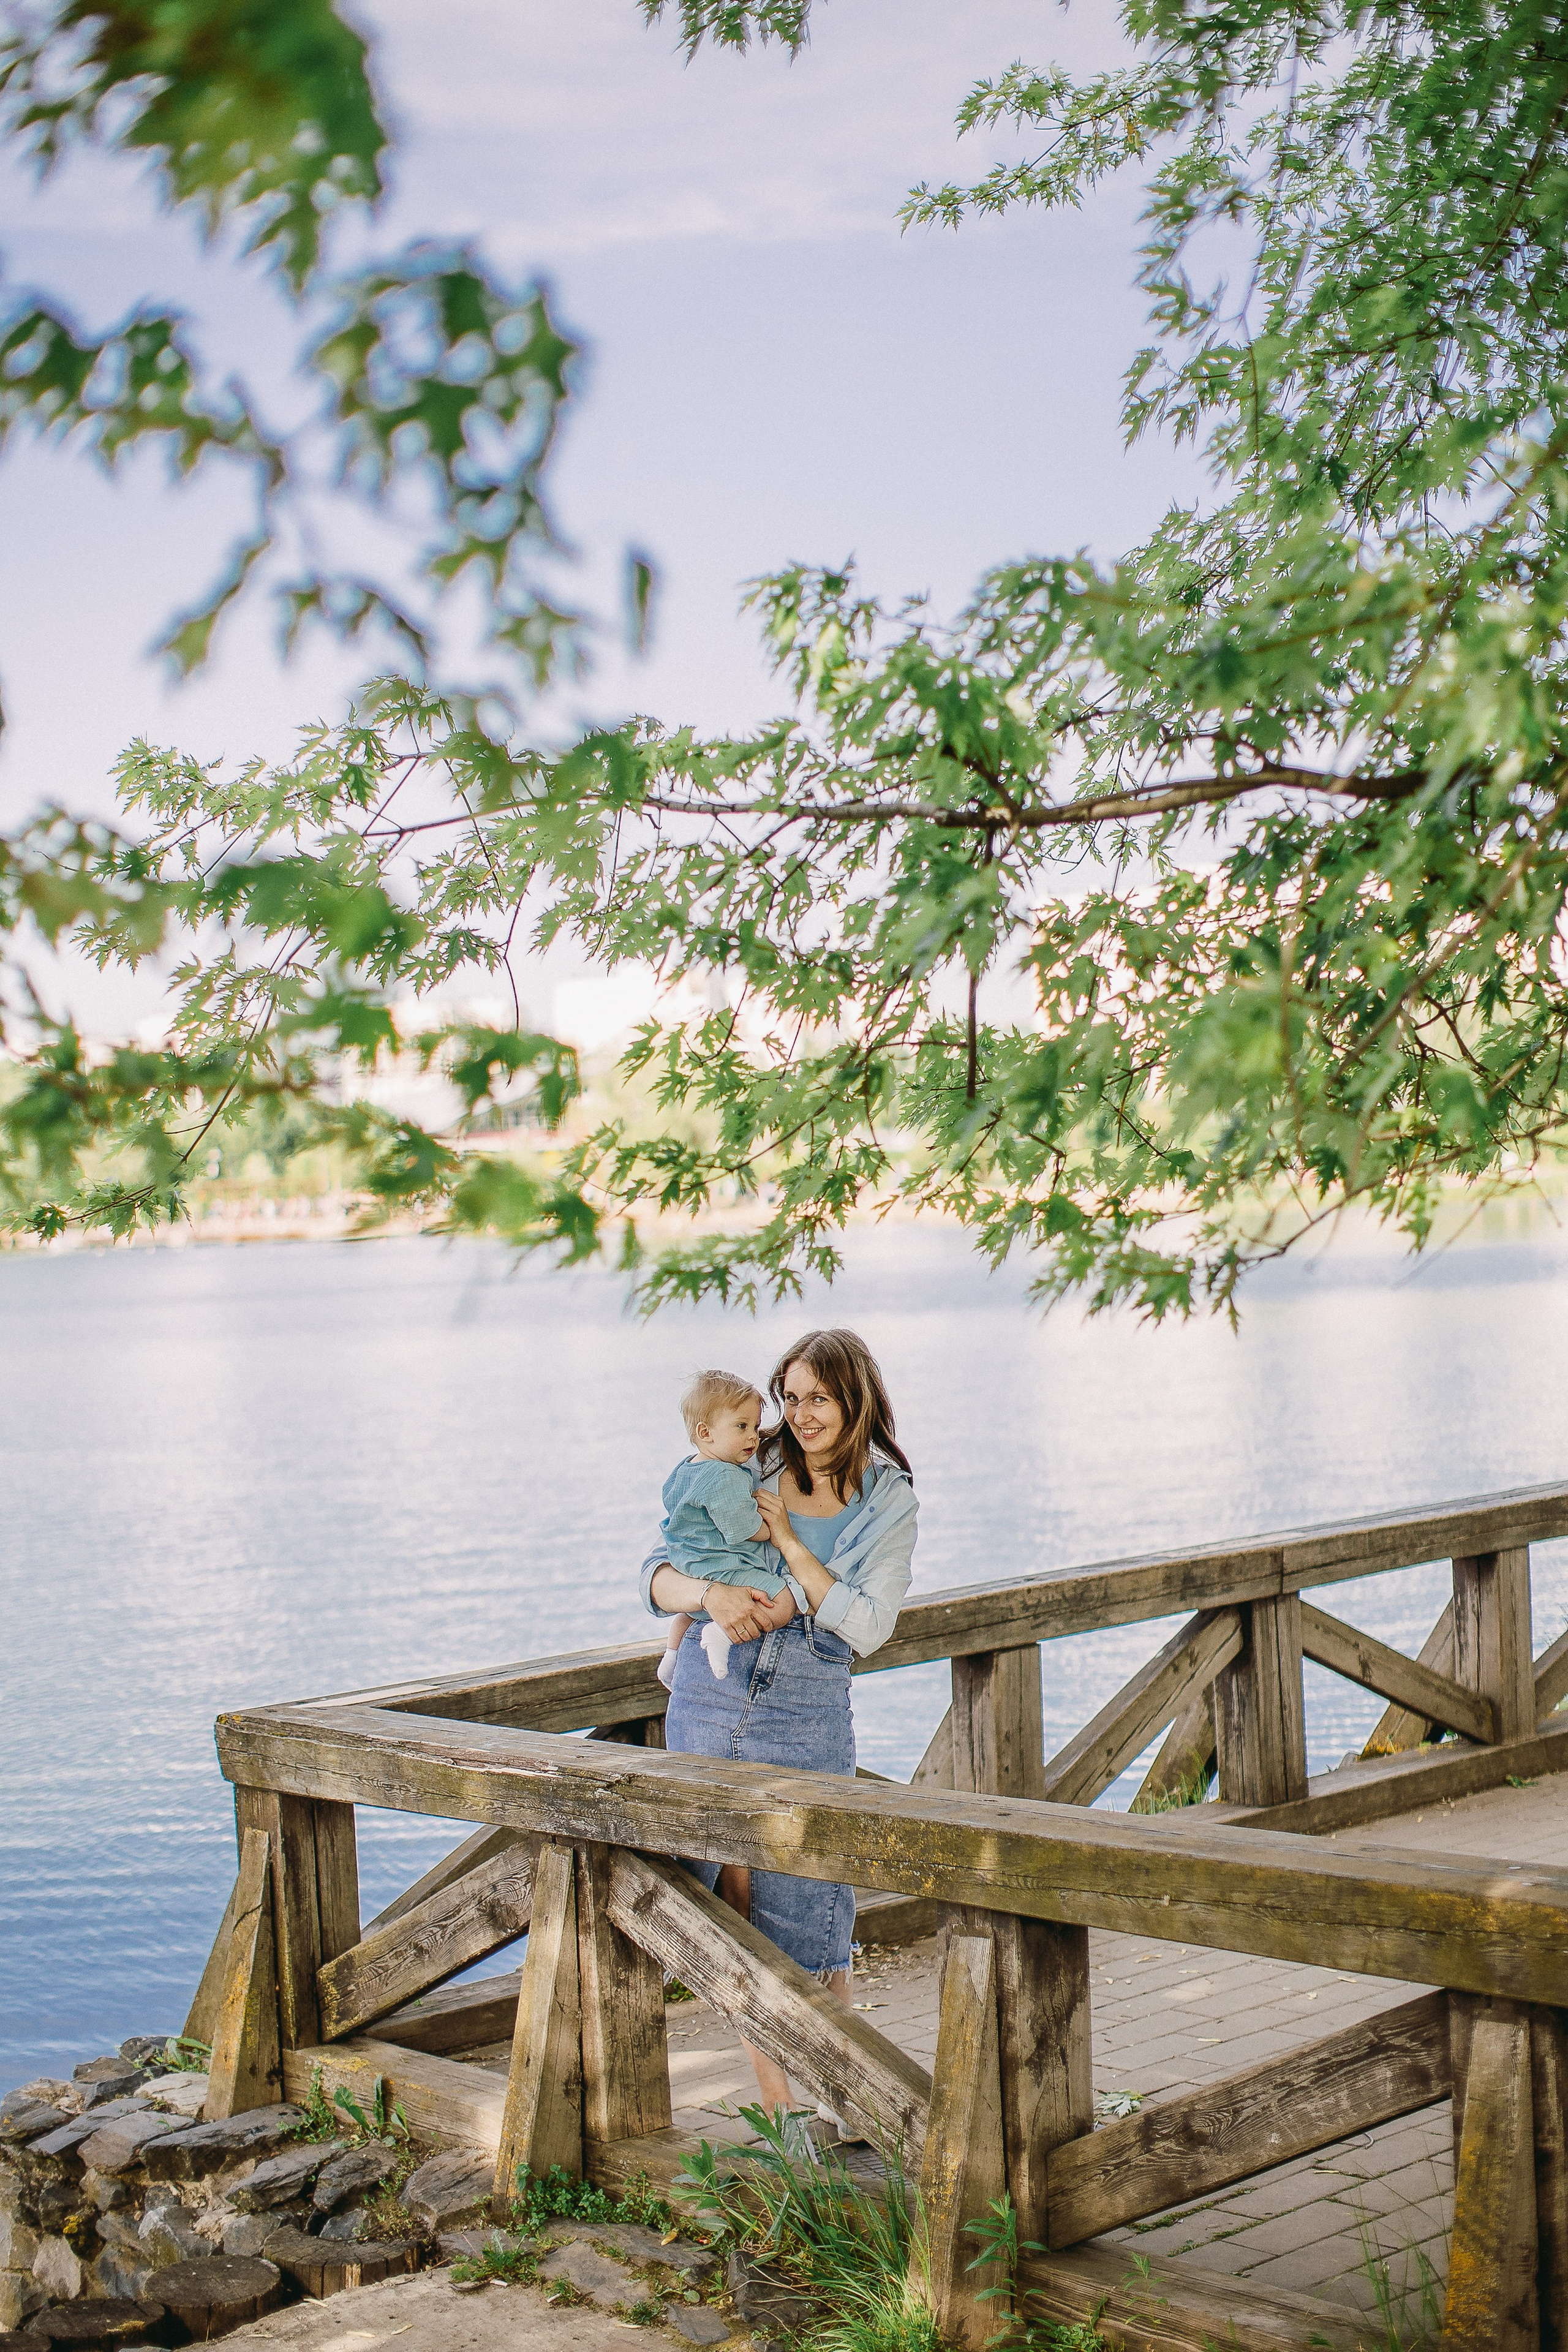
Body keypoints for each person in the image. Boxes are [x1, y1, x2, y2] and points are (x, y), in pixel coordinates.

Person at [641, 1327, 918, 2124]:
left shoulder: (887, 1498)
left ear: (855, 1399)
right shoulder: (745, 1458)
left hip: (804, 1699)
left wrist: (792, 1548)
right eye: (789, 1397)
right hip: (711, 1685)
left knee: (812, 1901)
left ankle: (843, 2094)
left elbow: (867, 1625)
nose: (799, 1415)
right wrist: (708, 1597)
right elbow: (656, 1574)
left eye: (818, 1398)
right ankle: (783, 2112)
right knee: (733, 1904)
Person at [655, 1370, 791, 1691]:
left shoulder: (686, 1469)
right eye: (742, 1426)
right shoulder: (725, 1477)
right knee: (784, 1600)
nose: (753, 1437)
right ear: (706, 1432)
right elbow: (743, 1530)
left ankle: (672, 1658)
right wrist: (772, 1527)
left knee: (690, 1613)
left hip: (688, 1565)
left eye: (756, 1427)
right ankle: (720, 1633)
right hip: (722, 1566)